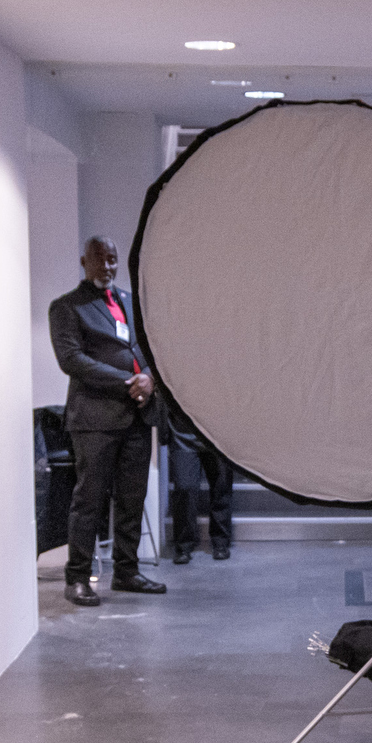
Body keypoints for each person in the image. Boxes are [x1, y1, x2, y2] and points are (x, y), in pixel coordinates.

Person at [49, 237, 166, 604]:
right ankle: (77, 578)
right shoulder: (67, 307)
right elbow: (71, 359)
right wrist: (127, 382)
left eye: (112, 260)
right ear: (84, 261)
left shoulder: (132, 302)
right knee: (90, 501)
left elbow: (151, 345)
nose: (107, 267)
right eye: (99, 260)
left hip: (136, 415)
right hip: (95, 419)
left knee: (133, 498)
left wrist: (149, 376)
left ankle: (127, 572)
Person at [163, 394, 236, 563]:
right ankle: (183, 544)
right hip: (183, 428)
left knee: (221, 485)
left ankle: (221, 542)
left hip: (219, 428)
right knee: (184, 487)